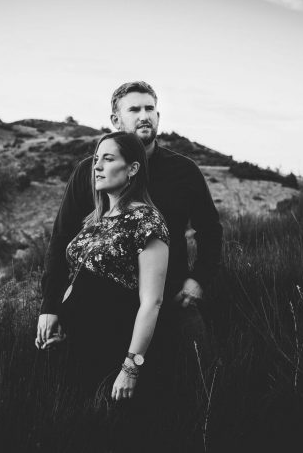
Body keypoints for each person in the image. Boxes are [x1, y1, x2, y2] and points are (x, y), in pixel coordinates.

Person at [37, 81, 222, 387]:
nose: (144, 115)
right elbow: (61, 238)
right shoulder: (91, 172)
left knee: (198, 385)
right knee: (90, 397)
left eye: (149, 108)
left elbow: (210, 230)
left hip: (170, 300)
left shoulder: (183, 171)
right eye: (134, 109)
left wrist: (199, 279)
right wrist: (50, 305)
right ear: (115, 120)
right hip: (103, 313)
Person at [35, 131, 169, 401]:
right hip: (75, 351)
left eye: (108, 159)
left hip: (113, 353)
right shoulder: (96, 218)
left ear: (132, 169)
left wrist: (131, 367)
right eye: (97, 159)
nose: (96, 166)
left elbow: (152, 302)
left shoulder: (146, 220)